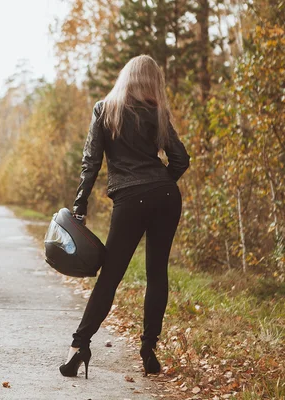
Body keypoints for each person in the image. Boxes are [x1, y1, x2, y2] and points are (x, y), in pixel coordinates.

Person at [60, 55, 190, 379]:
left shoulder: (105, 109)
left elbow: (91, 162)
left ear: (125, 77)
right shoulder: (157, 112)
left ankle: (79, 346)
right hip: (166, 196)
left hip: (131, 198)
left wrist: (80, 205)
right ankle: (149, 350)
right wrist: (161, 183)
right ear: (152, 81)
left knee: (111, 275)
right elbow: (181, 159)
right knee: (157, 273)